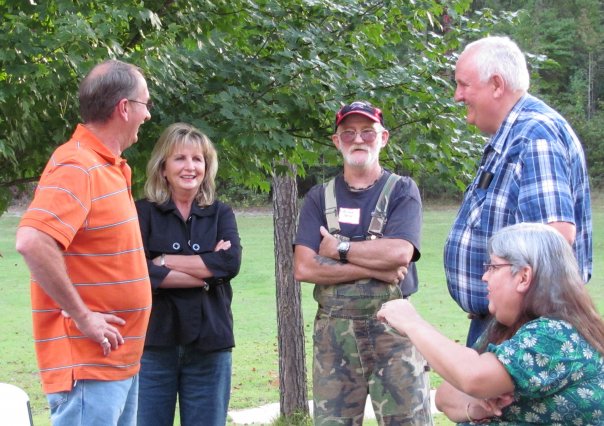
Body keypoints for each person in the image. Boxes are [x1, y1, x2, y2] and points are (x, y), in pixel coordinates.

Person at [15, 60, 153, 426]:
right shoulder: (77, 165)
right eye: (145, 104)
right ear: (124, 108)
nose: (148, 115)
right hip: (88, 368)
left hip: (117, 363)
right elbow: (32, 240)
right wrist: (83, 317)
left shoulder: (108, 166)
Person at [444, 35, 592, 347]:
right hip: (504, 323)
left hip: (521, 330)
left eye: (463, 84)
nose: (457, 96)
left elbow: (554, 239)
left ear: (497, 85)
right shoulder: (513, 135)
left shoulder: (534, 136)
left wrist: (508, 324)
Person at [378, 222, 604, 425]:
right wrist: (479, 407)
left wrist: (412, 322)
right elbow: (446, 396)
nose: (485, 276)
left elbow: (472, 377)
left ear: (524, 277)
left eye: (493, 267)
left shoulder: (557, 335)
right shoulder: (509, 328)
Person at [294, 101, 432, 425]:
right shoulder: (318, 197)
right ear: (336, 141)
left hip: (393, 329)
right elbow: (304, 268)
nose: (358, 139)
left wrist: (338, 248)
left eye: (368, 132)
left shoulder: (402, 190)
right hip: (334, 336)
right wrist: (376, 267)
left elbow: (400, 254)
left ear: (383, 138)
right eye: (349, 132)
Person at [135, 122, 242, 426]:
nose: (190, 167)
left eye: (198, 159)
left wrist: (163, 260)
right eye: (180, 158)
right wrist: (207, 271)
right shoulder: (142, 213)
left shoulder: (220, 213)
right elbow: (139, 272)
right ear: (163, 167)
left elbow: (230, 264)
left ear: (207, 168)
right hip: (154, 344)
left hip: (210, 344)